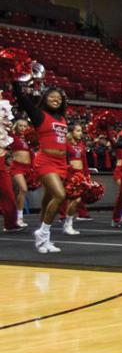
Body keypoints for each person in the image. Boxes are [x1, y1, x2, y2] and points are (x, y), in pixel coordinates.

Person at [12, 83, 69, 253]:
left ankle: (45, 241)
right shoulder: (39, 115)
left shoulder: (63, 118)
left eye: (59, 98)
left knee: (47, 202)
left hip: (61, 163)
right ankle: (42, 233)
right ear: (44, 98)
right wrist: (15, 81)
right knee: (60, 196)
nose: (56, 99)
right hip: (46, 161)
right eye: (52, 96)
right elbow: (23, 100)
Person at [8, 119, 33, 228]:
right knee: (23, 189)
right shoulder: (12, 137)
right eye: (20, 126)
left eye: (25, 126)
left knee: (18, 193)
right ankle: (19, 218)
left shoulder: (29, 139)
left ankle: (15, 217)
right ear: (16, 127)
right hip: (17, 167)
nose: (23, 128)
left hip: (28, 168)